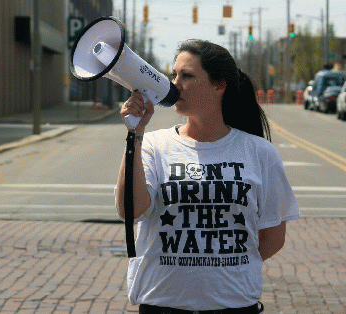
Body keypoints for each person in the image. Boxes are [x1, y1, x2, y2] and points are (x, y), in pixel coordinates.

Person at [115, 39, 301, 313]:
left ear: (219, 85)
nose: (175, 84)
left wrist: (225, 269)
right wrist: (135, 134)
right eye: (173, 75)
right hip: (162, 305)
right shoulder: (153, 145)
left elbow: (273, 238)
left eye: (187, 76)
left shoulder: (260, 153)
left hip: (233, 306)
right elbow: (130, 210)